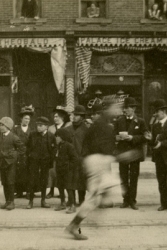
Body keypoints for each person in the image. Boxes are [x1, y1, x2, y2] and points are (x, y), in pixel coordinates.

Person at [65, 101, 142, 240]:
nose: (119, 110)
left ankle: (89, 214)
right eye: (116, 107)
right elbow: (102, 149)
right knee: (96, 197)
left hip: (96, 161)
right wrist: (121, 156)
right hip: (96, 162)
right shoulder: (102, 125)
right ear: (106, 110)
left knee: (108, 190)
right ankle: (75, 225)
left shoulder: (103, 124)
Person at [146, 99, 167, 213]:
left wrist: (161, 144)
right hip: (160, 159)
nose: (155, 114)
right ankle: (164, 204)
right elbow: (153, 142)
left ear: (163, 111)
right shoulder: (154, 126)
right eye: (155, 112)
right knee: (161, 183)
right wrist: (149, 140)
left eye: (157, 111)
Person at [114, 97, 147, 210]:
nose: (125, 110)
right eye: (125, 108)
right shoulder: (119, 121)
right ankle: (125, 200)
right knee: (123, 178)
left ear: (133, 109)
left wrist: (132, 137)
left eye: (127, 108)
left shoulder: (140, 121)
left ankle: (132, 201)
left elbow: (146, 136)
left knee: (133, 178)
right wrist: (117, 138)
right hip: (123, 153)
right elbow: (114, 135)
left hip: (134, 154)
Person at [0, 117, 25, 211]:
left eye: (3, 125)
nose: (1, 127)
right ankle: (7, 201)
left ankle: (12, 202)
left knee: (10, 182)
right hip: (2, 163)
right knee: (4, 182)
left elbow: (22, 149)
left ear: (8, 126)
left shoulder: (14, 137)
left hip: (11, 164)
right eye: (0, 125)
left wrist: (15, 156)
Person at [62, 105, 89, 213]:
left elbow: (88, 145)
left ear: (82, 117)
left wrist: (83, 157)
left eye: (77, 115)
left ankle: (82, 201)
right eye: (74, 115)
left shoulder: (86, 130)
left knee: (81, 182)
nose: (74, 117)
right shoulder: (67, 129)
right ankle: (71, 203)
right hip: (69, 160)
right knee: (69, 182)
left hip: (81, 159)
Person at [26, 117, 56, 209]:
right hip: (34, 161)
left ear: (46, 126)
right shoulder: (32, 134)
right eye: (37, 125)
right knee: (32, 180)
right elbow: (28, 147)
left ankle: (43, 200)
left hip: (45, 162)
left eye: (40, 126)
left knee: (44, 180)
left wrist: (50, 159)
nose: (38, 127)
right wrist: (30, 156)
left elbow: (53, 150)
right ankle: (30, 201)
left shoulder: (51, 136)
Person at [46, 106, 71, 199]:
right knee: (52, 172)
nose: (55, 118)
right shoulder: (51, 128)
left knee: (63, 173)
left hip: (64, 152)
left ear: (62, 117)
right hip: (54, 152)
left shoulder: (68, 126)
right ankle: (51, 191)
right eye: (54, 117)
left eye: (57, 117)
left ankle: (62, 192)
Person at [54, 128, 79, 211]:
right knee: (60, 186)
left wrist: (68, 167)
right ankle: (63, 203)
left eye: (57, 136)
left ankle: (72, 205)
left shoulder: (69, 146)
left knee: (69, 188)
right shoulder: (58, 146)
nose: (56, 138)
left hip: (67, 171)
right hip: (60, 170)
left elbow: (75, 159)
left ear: (62, 137)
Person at [13, 105, 35, 198]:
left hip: (29, 154)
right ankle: (19, 191)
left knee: (29, 173)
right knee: (19, 173)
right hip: (19, 155)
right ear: (21, 119)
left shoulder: (32, 130)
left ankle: (29, 192)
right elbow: (13, 141)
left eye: (28, 119)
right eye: (25, 118)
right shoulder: (16, 129)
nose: (27, 120)